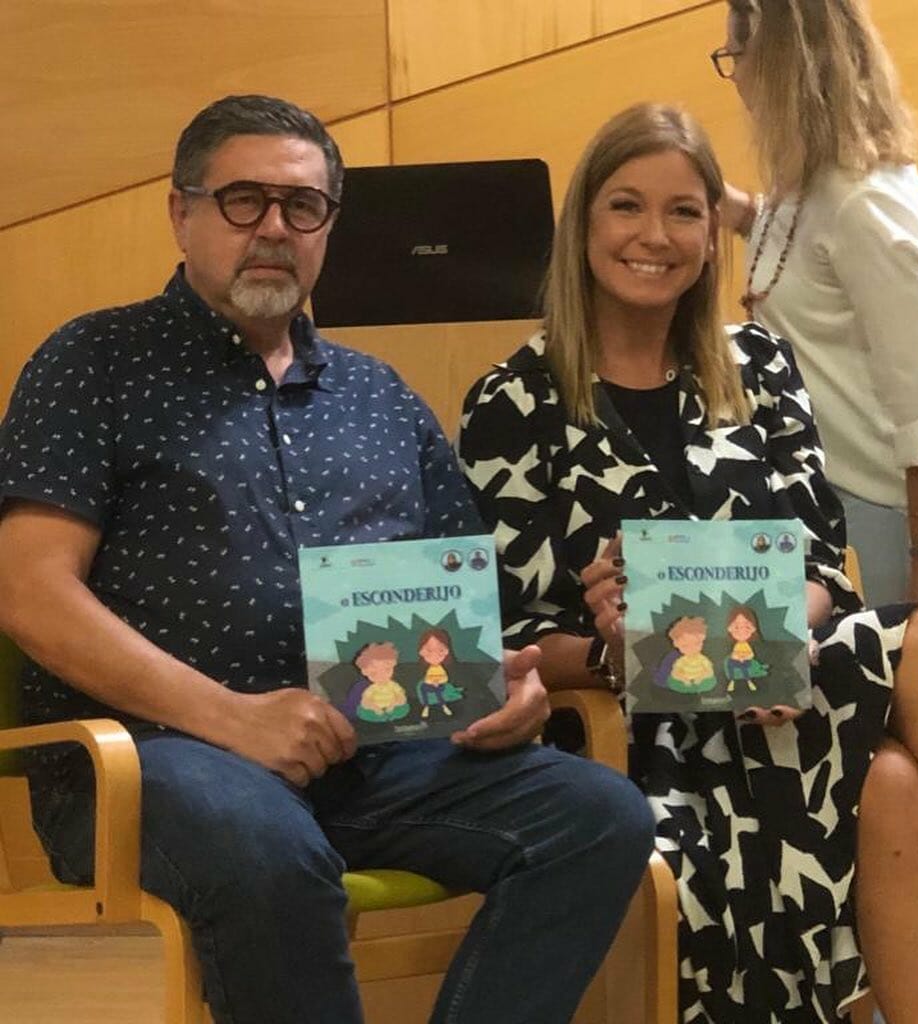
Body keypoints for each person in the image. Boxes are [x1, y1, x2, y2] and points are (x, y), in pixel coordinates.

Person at [0, 94, 655, 1024]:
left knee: (599, 817)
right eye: (242, 201)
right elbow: (27, 592)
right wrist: (233, 719)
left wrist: (508, 691)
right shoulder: (94, 362)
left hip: (377, 755)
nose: (274, 227)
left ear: (329, 228)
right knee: (264, 841)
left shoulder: (379, 396)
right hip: (156, 760)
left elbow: (468, 615)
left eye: (302, 207)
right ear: (180, 212)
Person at [456, 102, 918, 1024]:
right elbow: (504, 643)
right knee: (917, 666)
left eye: (685, 211)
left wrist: (777, 632)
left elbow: (821, 569)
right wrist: (619, 646)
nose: (656, 235)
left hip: (787, 695)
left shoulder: (757, 363)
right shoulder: (511, 404)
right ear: (584, 224)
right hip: (636, 734)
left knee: (903, 742)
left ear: (711, 231)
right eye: (628, 207)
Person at [712, 0, 918, 611]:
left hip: (885, 514)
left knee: (893, 695)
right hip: (835, 495)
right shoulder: (817, 179)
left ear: (780, 62)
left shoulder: (864, 201)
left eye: (736, 57)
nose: (735, 76)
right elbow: (813, 258)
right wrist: (739, 211)